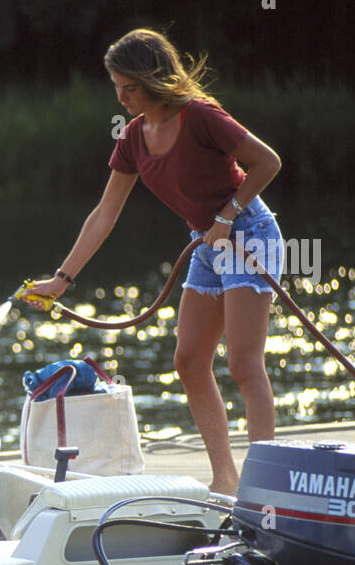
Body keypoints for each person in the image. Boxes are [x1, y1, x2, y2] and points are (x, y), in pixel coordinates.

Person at [22, 28, 283, 496]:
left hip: (249, 235)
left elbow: (268, 162)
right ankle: (225, 476)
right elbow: (104, 215)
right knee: (188, 361)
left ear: (154, 79)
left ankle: (265, 486)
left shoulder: (201, 116)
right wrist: (61, 280)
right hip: (204, 244)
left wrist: (228, 213)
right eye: (117, 88)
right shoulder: (133, 138)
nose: (121, 97)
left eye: (129, 88)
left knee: (244, 364)